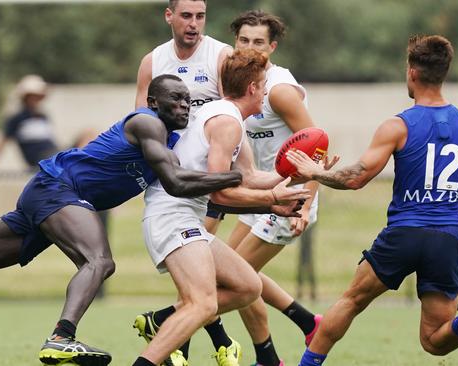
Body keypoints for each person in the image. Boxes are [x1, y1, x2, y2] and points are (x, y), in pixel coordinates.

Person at [0, 75, 267, 366]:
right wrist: (239, 175)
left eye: (189, 101)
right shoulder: (147, 123)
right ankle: (62, 337)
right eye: (176, 99)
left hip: (51, 196)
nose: (184, 107)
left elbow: (194, 183)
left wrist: (264, 199)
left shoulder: (171, 137)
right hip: (59, 190)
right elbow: (175, 181)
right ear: (154, 101)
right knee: (99, 261)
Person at [285, 35, 458, 366]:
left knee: (351, 301)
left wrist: (314, 171)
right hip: (448, 238)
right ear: (444, 72)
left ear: (412, 73)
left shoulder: (398, 125)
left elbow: (357, 177)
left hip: (404, 234)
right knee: (435, 340)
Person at [132, 48, 312, 366]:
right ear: (253, 89)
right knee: (201, 304)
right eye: (264, 86)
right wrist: (273, 201)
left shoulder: (228, 118)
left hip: (184, 217)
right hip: (172, 216)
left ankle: (164, 321)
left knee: (247, 286)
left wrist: (297, 174)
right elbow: (221, 195)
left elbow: (250, 176)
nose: (267, 93)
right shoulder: (227, 123)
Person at [218, 11, 321, 366]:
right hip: (262, 194)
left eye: (258, 42)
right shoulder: (236, 78)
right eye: (244, 40)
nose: (250, 47)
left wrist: (306, 205)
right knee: (230, 273)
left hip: (289, 197)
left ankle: (169, 323)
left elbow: (318, 146)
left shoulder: (278, 91)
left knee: (235, 280)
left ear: (272, 47)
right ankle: (305, 324)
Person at [135, 0, 231, 113]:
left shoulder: (223, 56)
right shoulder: (150, 63)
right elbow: (141, 120)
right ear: (169, 16)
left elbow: (232, 116)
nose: (194, 24)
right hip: (164, 131)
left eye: (200, 16)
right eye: (186, 16)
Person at [0, 74, 59, 175]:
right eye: (33, 96)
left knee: (86, 134)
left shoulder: (43, 117)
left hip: (55, 154)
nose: (36, 100)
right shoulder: (17, 118)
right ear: (26, 97)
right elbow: (1, 145)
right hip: (41, 161)